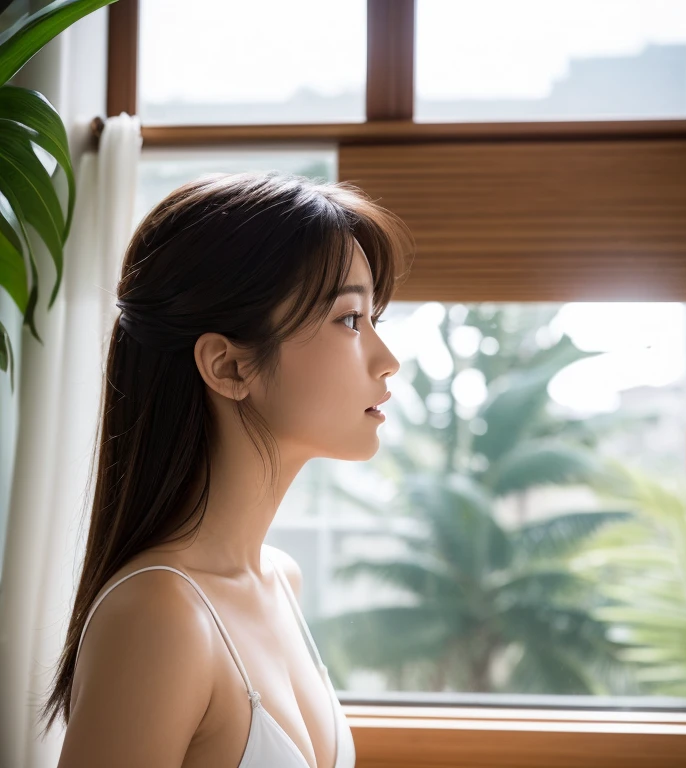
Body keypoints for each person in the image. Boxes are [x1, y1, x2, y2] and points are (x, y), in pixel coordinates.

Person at [40, 171, 415, 768]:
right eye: (349, 319)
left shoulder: (279, 580)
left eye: (376, 320)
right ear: (229, 366)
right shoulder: (160, 614)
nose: (387, 360)